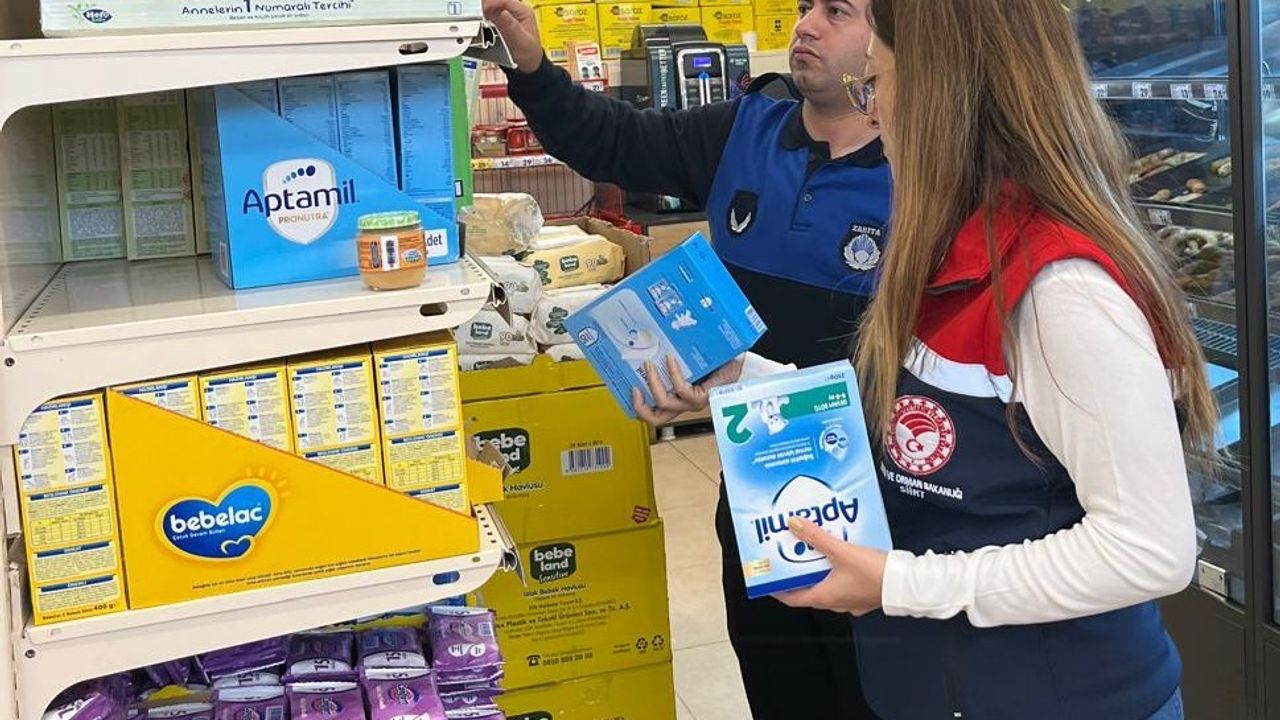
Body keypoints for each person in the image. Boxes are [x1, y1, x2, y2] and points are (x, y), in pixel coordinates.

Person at [770, 1, 1214, 718]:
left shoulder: (1059, 291)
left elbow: (1149, 549)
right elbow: (924, 426)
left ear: (940, 93)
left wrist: (900, 584)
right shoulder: (954, 244)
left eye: (874, 83)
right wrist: (740, 385)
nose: (872, 113)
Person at [481, 0, 888, 717]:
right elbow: (614, 140)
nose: (806, 25)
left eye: (837, 12)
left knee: (876, 694)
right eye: (803, 8)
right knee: (782, 688)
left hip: (879, 497)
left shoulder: (925, 169)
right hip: (755, 486)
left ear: (890, 40)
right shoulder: (746, 129)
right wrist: (532, 66)